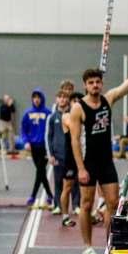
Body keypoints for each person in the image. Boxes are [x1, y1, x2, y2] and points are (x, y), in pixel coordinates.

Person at [69, 42, 128, 254]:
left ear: (101, 84)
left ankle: (110, 244)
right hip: (88, 162)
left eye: (98, 82)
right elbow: (74, 140)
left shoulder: (108, 99)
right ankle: (87, 245)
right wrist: (81, 168)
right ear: (85, 86)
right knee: (85, 204)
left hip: (106, 161)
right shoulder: (78, 108)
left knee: (113, 202)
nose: (95, 85)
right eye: (91, 83)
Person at [22, 89, 53, 208]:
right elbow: (23, 130)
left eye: (38, 97)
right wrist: (26, 142)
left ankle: (33, 196)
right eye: (34, 97)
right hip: (33, 147)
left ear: (42, 98)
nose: (36, 99)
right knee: (41, 173)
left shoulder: (48, 113)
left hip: (45, 147)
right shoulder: (27, 113)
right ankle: (50, 195)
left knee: (40, 170)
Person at [59, 92, 83, 227]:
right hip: (70, 158)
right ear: (70, 103)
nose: (77, 103)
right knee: (67, 187)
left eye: (79, 101)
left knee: (87, 186)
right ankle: (65, 216)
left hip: (83, 155)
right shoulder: (66, 116)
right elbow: (74, 128)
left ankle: (88, 213)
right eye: (74, 101)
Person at [47, 90, 70, 215]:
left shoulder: (72, 115)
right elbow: (49, 137)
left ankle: (76, 205)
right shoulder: (52, 117)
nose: (62, 99)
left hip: (70, 156)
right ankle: (57, 206)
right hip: (58, 156)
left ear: (67, 99)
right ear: (56, 99)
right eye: (59, 97)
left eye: (64, 97)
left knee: (74, 184)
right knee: (58, 183)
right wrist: (50, 154)